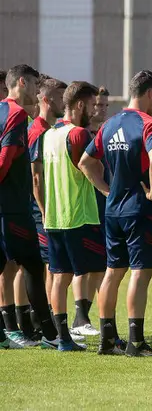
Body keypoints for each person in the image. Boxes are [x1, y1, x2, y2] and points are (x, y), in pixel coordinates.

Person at [80, 70, 152, 357]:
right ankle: (136, 342)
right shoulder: (150, 125)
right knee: (140, 273)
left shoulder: (108, 124)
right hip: (138, 210)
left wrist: (106, 190)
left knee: (112, 272)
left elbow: (85, 162)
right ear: (149, 93)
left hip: (113, 210)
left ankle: (107, 339)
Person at [0, 64, 60, 350]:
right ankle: (50, 334)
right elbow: (5, 160)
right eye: (35, 85)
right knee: (35, 267)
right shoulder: (17, 115)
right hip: (12, 208)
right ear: (22, 83)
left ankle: (5, 334)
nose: (38, 91)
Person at [42, 82, 104, 351]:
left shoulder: (49, 134)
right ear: (80, 104)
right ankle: (95, 327)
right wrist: (109, 191)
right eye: (91, 105)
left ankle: (61, 337)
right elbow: (90, 168)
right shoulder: (79, 134)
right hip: (79, 216)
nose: (93, 110)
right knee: (92, 272)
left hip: (54, 216)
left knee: (59, 276)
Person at [68, 85, 111, 337]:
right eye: (97, 105)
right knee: (77, 267)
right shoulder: (80, 135)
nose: (101, 109)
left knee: (102, 266)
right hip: (82, 208)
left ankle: (85, 317)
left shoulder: (105, 133)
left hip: (103, 209)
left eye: (105, 105)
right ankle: (76, 318)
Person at [26, 77, 67, 338]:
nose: (65, 102)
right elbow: (35, 177)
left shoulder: (52, 130)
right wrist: (43, 209)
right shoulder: (37, 131)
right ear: (47, 100)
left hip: (48, 210)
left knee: (51, 267)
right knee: (50, 266)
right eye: (61, 98)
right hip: (40, 211)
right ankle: (46, 324)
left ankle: (47, 321)